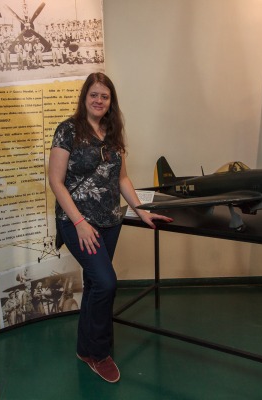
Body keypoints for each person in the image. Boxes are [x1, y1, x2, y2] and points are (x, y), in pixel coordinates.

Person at [48, 72, 173, 383]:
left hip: (109, 222)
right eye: (94, 95)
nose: (99, 100)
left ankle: (84, 347)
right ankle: (99, 353)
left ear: (110, 101)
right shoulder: (68, 130)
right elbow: (55, 181)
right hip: (77, 223)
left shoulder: (113, 132)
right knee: (106, 283)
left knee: (94, 284)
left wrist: (142, 212)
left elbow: (122, 179)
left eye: (105, 96)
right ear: (84, 97)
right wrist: (79, 223)